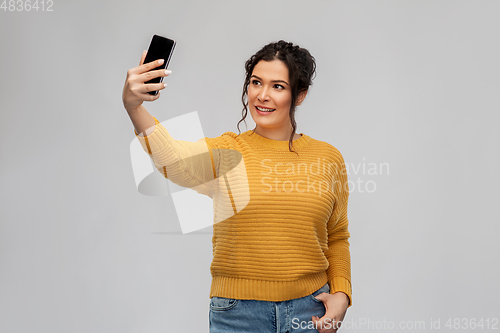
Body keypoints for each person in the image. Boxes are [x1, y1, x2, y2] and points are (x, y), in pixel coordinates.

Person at [123, 40, 352, 333]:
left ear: (300, 95)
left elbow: (337, 236)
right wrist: (134, 106)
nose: (263, 95)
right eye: (256, 82)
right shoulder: (228, 151)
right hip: (238, 314)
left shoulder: (328, 158)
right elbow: (173, 159)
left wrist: (342, 294)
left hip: (310, 312)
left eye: (278, 86)